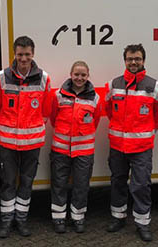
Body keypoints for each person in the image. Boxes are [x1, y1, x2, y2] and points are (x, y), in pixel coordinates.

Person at [103, 44, 158, 242]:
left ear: (143, 60)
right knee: (117, 182)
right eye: (130, 59)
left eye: (137, 59)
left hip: (141, 147)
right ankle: (118, 217)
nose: (133, 62)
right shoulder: (113, 85)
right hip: (117, 146)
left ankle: (142, 223)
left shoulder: (155, 87)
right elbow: (108, 110)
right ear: (125, 61)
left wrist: (146, 132)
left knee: (140, 185)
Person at [0, 36, 51, 238]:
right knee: (8, 181)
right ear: (14, 54)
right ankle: (7, 221)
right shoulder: (2, 77)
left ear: (33, 54)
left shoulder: (43, 78)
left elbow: (45, 111)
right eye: (20, 54)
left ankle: (21, 219)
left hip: (32, 142)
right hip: (7, 142)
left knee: (26, 181)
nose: (23, 58)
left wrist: (31, 128)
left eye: (27, 54)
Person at [48, 61, 102, 234]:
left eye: (83, 75)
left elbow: (96, 121)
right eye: (76, 74)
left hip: (84, 151)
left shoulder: (95, 98)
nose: (79, 78)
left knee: (81, 185)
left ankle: (78, 218)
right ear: (71, 75)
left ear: (88, 76)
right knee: (59, 184)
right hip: (61, 149)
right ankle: (58, 218)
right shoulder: (58, 95)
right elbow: (53, 118)